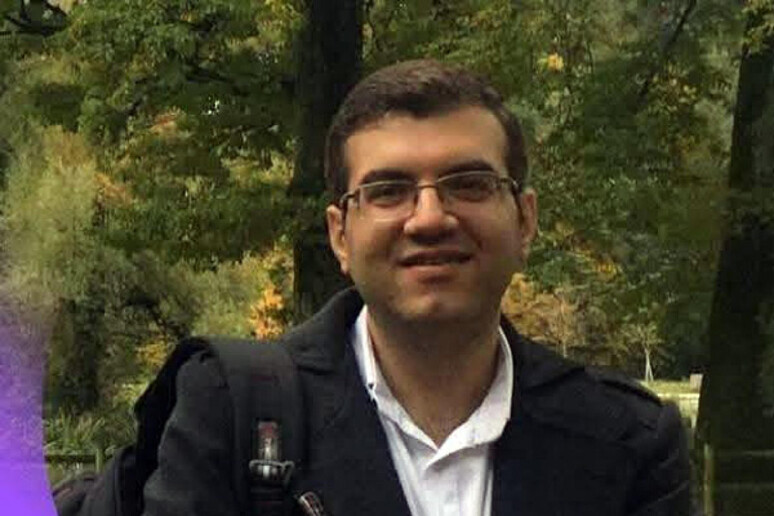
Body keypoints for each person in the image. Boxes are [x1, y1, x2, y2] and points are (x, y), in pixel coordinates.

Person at [141, 60, 691, 516]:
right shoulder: (231, 416)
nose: (428, 218)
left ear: (525, 221)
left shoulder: (629, 443)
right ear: (340, 236)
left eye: (469, 184)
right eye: (388, 191)